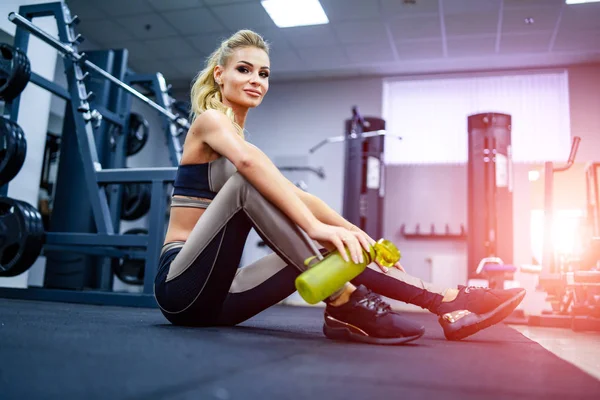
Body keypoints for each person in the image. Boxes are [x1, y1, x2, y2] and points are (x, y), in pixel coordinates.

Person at [154, 30, 525, 345]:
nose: (256, 79)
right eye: (244, 69)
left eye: (264, 73)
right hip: (180, 290)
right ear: (220, 75)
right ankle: (344, 297)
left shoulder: (241, 141)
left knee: (339, 244)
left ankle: (444, 301)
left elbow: (301, 197)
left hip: (223, 300)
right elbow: (250, 171)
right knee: (246, 184)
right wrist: (315, 227)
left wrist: (352, 232)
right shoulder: (209, 122)